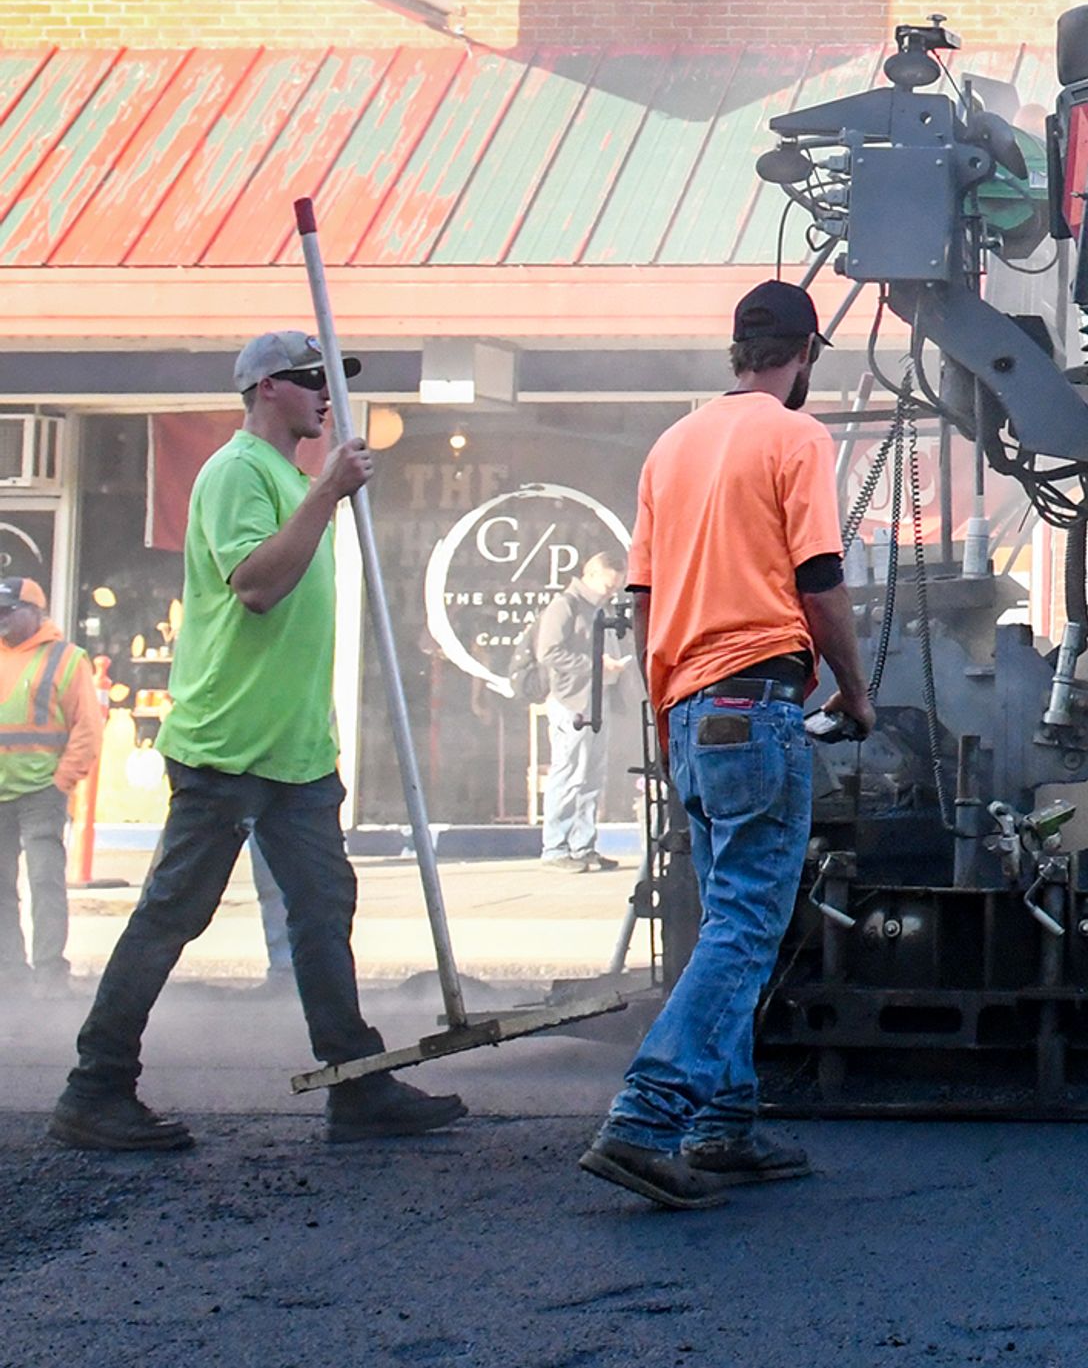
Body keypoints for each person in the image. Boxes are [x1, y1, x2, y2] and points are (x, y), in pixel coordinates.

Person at [51, 333, 462, 1151]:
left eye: (330, 380)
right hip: (227, 743)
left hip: (295, 750)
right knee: (176, 911)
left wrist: (323, 491)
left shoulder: (286, 476)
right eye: (312, 380)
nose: (325, 394)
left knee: (320, 910)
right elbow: (258, 586)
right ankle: (94, 1085)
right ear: (266, 387)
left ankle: (355, 1081)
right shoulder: (239, 471)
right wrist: (329, 493)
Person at [578, 280, 873, 1212]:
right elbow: (820, 580)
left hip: (692, 715)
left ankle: (725, 1122)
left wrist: (666, 709)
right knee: (749, 923)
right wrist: (857, 691)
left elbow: (642, 601)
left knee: (725, 918)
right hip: (759, 699)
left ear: (736, 353)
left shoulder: (672, 446)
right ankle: (646, 1116)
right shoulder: (797, 437)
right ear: (805, 356)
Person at [0, 571, 101, 991]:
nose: (0, 618)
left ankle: (48, 972)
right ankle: (9, 970)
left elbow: (88, 728)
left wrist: (62, 780)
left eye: (7, 610)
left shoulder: (66, 658)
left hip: (42, 792)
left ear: (34, 612)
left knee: (45, 883)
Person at [530, 548, 627, 872]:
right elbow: (548, 652)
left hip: (597, 699)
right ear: (590, 576)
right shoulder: (566, 605)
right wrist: (594, 666)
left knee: (591, 776)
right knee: (569, 773)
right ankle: (555, 847)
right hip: (573, 701)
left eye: (615, 588)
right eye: (607, 587)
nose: (610, 593)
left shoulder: (599, 607)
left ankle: (582, 846)